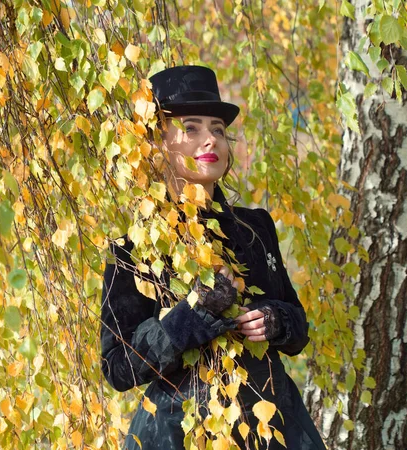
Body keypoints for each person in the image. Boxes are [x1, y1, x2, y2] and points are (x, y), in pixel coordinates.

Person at [100, 65, 326, 450]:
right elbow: (118, 366)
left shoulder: (255, 228)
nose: (211, 140)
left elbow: (298, 327)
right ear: (158, 143)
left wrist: (276, 320)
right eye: (191, 128)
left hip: (274, 424)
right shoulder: (132, 249)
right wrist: (190, 316)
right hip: (178, 432)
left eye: (218, 130)